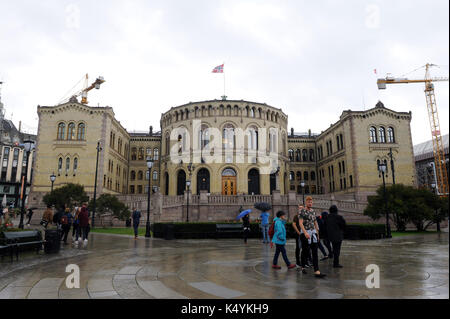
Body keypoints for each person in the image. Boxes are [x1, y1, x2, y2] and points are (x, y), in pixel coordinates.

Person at [298, 196, 326, 278]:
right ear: (306, 203)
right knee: (305, 251)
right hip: (305, 234)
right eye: (308, 202)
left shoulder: (313, 211)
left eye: (311, 202)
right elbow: (300, 223)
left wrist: (317, 233)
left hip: (313, 233)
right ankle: (303, 266)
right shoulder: (302, 211)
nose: (310, 203)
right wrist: (305, 233)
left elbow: (315, 222)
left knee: (315, 252)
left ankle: (317, 271)